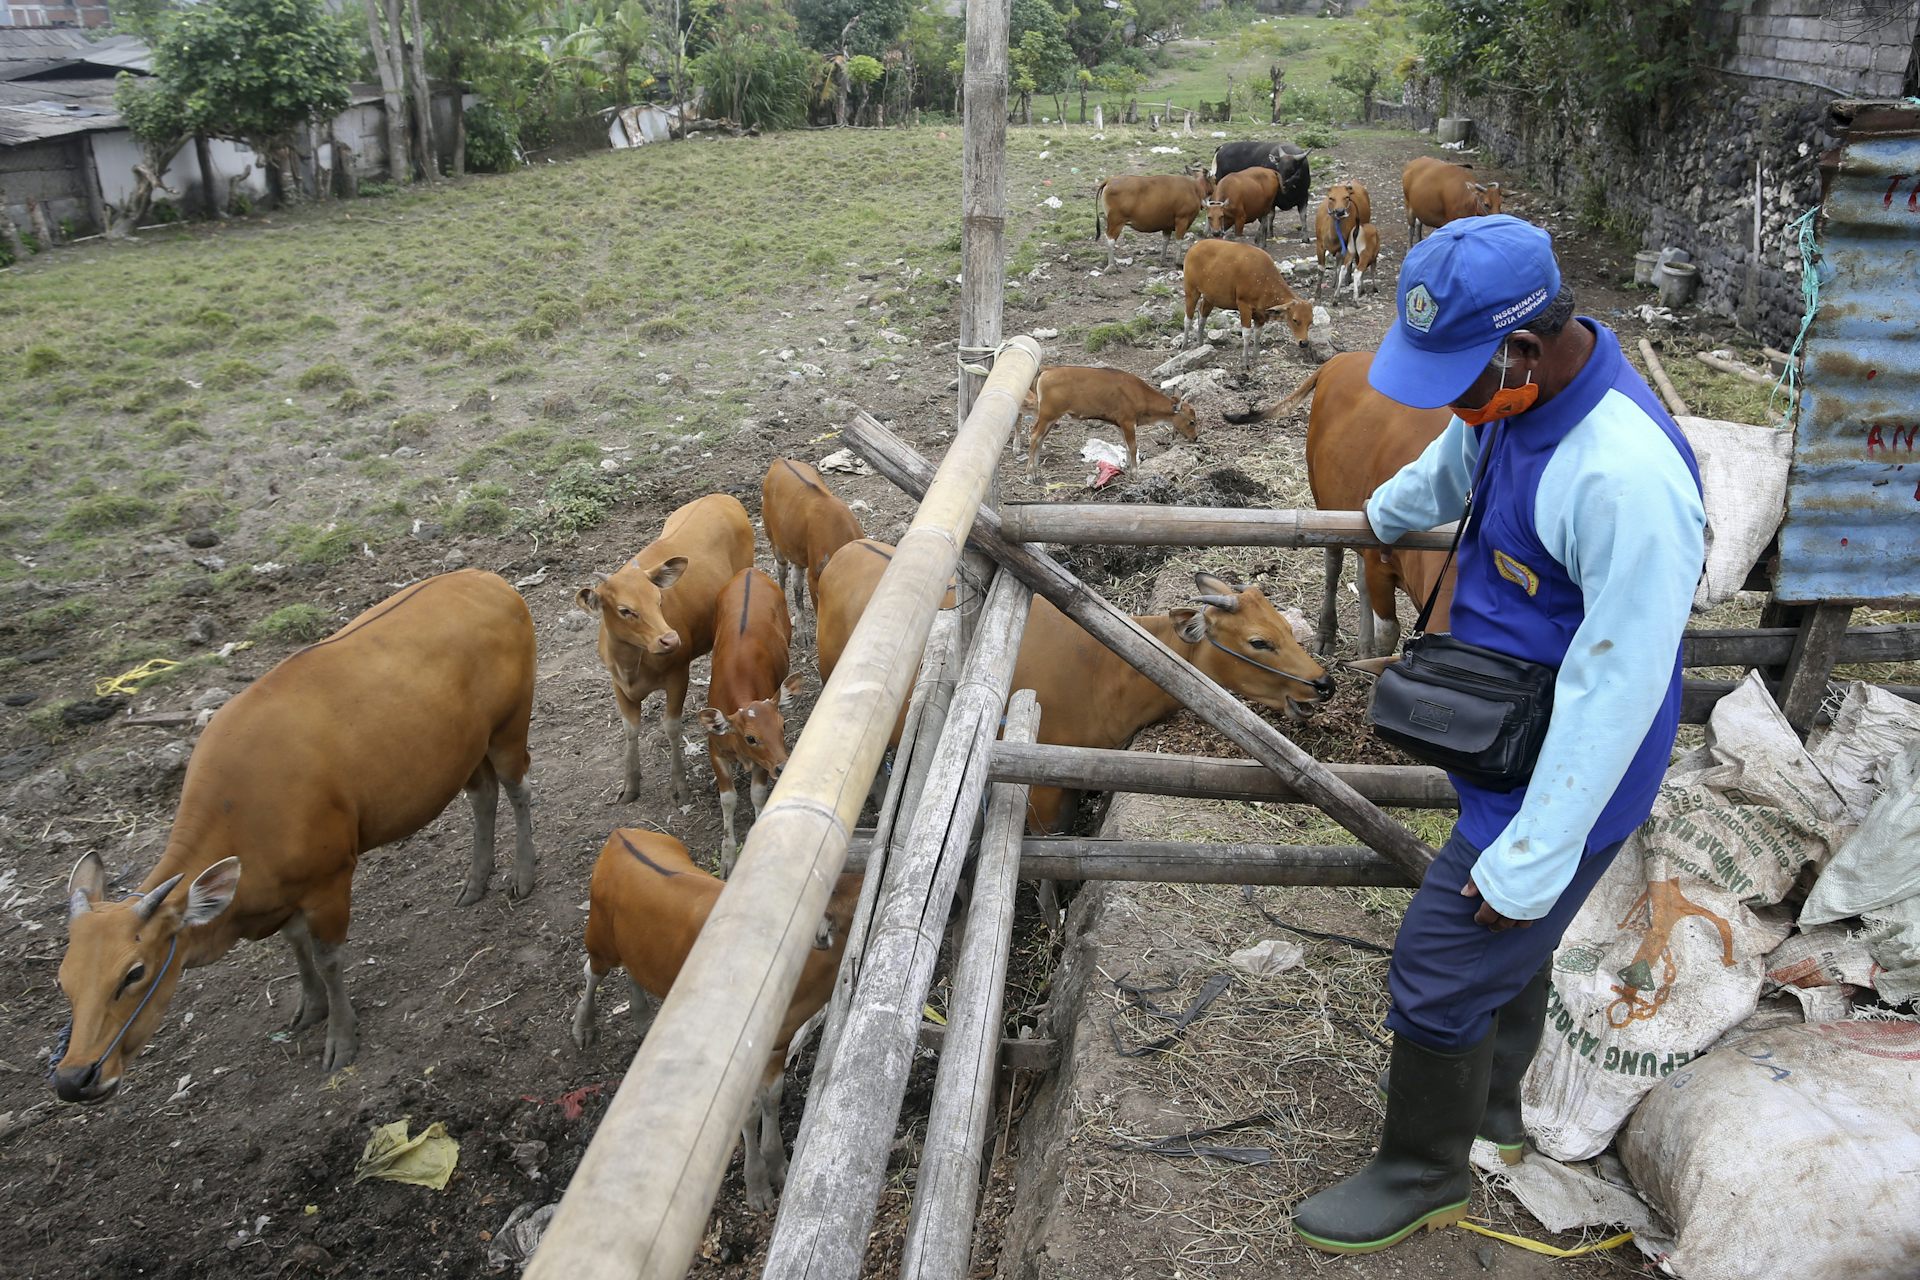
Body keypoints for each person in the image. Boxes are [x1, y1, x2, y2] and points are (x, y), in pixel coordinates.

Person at [1290, 214, 1706, 1255]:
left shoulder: (1626, 478)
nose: (1457, 401)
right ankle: (1494, 1118)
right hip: (1514, 730)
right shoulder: (1512, 398)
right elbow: (1461, 455)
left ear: (1523, 348)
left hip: (1574, 763)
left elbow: (1618, 686)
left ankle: (1420, 1169)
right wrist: (1389, 510)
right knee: (1513, 947)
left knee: (1440, 958)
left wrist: (1535, 846)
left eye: (1463, 378)